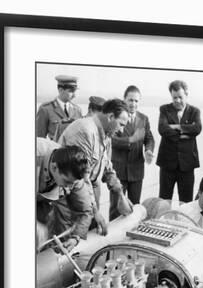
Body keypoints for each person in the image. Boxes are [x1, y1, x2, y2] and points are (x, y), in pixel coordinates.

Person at [58, 98, 133, 231]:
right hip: (69, 199)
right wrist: (95, 212)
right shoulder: (85, 131)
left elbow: (107, 168)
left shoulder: (106, 135)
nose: (121, 130)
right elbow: (81, 178)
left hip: (87, 198)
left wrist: (120, 194)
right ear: (110, 117)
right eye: (121, 124)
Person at [36, 141, 94, 251]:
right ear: (54, 167)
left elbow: (85, 211)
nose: (68, 189)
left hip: (43, 199)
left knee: (43, 236)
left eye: (72, 183)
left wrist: (75, 237)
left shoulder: (73, 174)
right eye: (66, 182)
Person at [109, 85, 155, 220]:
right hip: (119, 170)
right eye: (130, 100)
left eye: (136, 101)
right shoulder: (115, 117)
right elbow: (111, 140)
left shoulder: (144, 119)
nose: (133, 104)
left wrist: (148, 150)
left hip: (136, 170)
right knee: (115, 208)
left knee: (135, 207)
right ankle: (112, 238)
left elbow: (149, 138)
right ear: (124, 100)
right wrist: (131, 140)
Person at [156, 80, 202, 203]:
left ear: (186, 95)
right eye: (174, 97)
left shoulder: (195, 111)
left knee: (186, 202)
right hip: (167, 164)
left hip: (187, 165)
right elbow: (162, 129)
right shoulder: (165, 109)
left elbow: (197, 128)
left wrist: (176, 127)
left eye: (180, 97)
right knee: (164, 202)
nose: (177, 101)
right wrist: (186, 134)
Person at [36, 75, 83, 142]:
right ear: (60, 90)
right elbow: (39, 139)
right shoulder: (46, 109)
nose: (74, 95)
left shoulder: (77, 110)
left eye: (75, 91)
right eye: (71, 91)